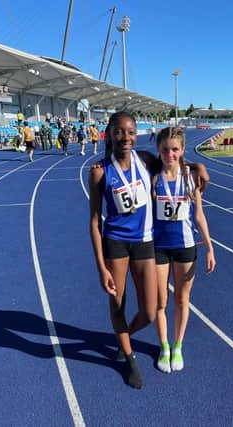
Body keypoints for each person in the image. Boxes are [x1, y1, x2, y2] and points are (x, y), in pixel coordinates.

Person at [89, 111, 158, 389]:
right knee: (118, 304)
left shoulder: (145, 160)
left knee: (150, 312)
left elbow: (173, 163)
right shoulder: (99, 171)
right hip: (115, 242)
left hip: (143, 240)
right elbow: (94, 222)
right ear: (109, 134)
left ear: (136, 134)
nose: (125, 137)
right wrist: (100, 267)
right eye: (119, 132)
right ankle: (129, 359)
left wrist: (197, 168)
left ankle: (123, 336)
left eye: (130, 132)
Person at [152, 127, 216, 374]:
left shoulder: (191, 178)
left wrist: (209, 248)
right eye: (165, 149)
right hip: (158, 247)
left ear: (182, 151)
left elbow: (199, 216)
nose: (170, 154)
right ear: (158, 150)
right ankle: (164, 346)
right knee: (160, 301)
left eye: (175, 149)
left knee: (181, 299)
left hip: (186, 247)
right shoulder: (152, 177)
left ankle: (178, 345)